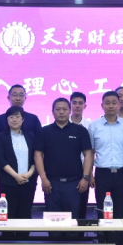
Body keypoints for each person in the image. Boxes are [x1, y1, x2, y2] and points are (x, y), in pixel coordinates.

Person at [34, 98, 93, 234]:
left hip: (74, 183)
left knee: (73, 224)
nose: (61, 112)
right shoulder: (44, 131)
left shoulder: (80, 130)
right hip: (51, 183)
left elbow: (88, 154)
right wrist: (43, 178)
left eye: (64, 109)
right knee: (53, 225)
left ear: (69, 111)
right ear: (52, 112)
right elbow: (38, 155)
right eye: (58, 109)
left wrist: (85, 177)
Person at [89, 91, 123, 245]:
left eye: (114, 102)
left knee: (121, 212)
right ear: (102, 105)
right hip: (102, 174)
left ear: (119, 104)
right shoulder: (94, 126)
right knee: (104, 211)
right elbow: (90, 152)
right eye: (107, 103)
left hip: (122, 173)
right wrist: (90, 174)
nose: (111, 106)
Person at [0, 106, 37, 237]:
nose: (14, 119)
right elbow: (0, 158)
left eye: (17, 117)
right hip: (8, 182)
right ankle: (7, 242)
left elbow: (36, 158)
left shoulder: (31, 136)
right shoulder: (1, 137)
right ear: (7, 120)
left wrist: (29, 173)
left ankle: (24, 242)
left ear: (23, 119)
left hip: (28, 182)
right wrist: (16, 176)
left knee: (25, 213)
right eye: (11, 117)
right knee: (8, 213)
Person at [70, 92, 93, 218]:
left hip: (84, 171)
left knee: (81, 207)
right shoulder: (61, 123)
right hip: (67, 171)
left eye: (80, 103)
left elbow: (91, 152)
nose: (77, 106)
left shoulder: (90, 126)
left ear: (85, 106)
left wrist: (89, 175)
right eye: (74, 103)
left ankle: (80, 231)